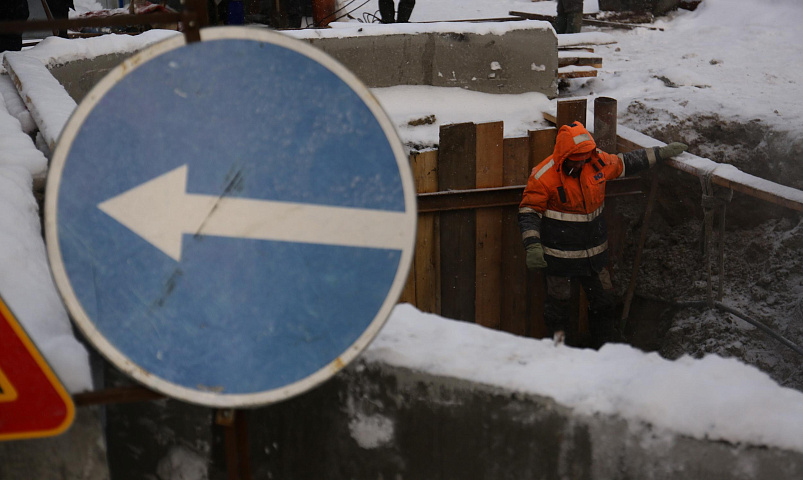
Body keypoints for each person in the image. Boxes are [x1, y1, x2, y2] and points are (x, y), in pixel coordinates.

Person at [518, 121, 687, 347]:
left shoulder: (595, 162)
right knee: (558, 312)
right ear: (564, 155)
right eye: (576, 161)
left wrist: (659, 153)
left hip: (594, 259)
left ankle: (604, 351)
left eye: (583, 159)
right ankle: (559, 356)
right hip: (559, 261)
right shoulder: (543, 177)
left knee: (605, 304)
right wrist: (532, 245)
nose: (580, 165)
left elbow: (625, 162)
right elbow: (529, 211)